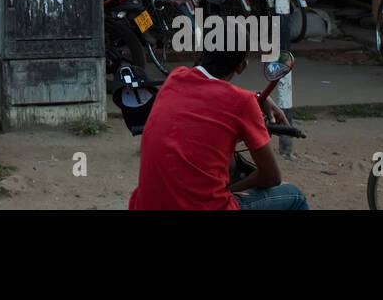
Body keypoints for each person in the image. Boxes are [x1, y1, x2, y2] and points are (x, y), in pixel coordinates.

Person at [128, 49, 308, 210]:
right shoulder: (242, 103)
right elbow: (271, 177)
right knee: (295, 196)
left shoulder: (175, 77)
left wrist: (256, 96)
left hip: (144, 205)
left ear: (198, 53)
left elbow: (206, 94)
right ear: (241, 67)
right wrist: (231, 190)